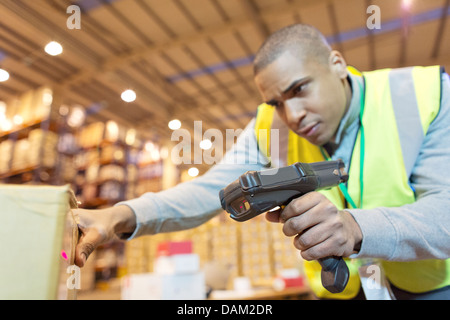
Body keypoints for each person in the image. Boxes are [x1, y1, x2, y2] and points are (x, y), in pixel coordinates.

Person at [73, 24, 450, 300]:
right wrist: (119, 215)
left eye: (299, 89)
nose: (292, 116)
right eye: (276, 103)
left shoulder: (424, 94)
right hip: (342, 292)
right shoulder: (270, 126)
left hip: (426, 288)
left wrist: (355, 228)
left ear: (336, 63)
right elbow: (210, 191)